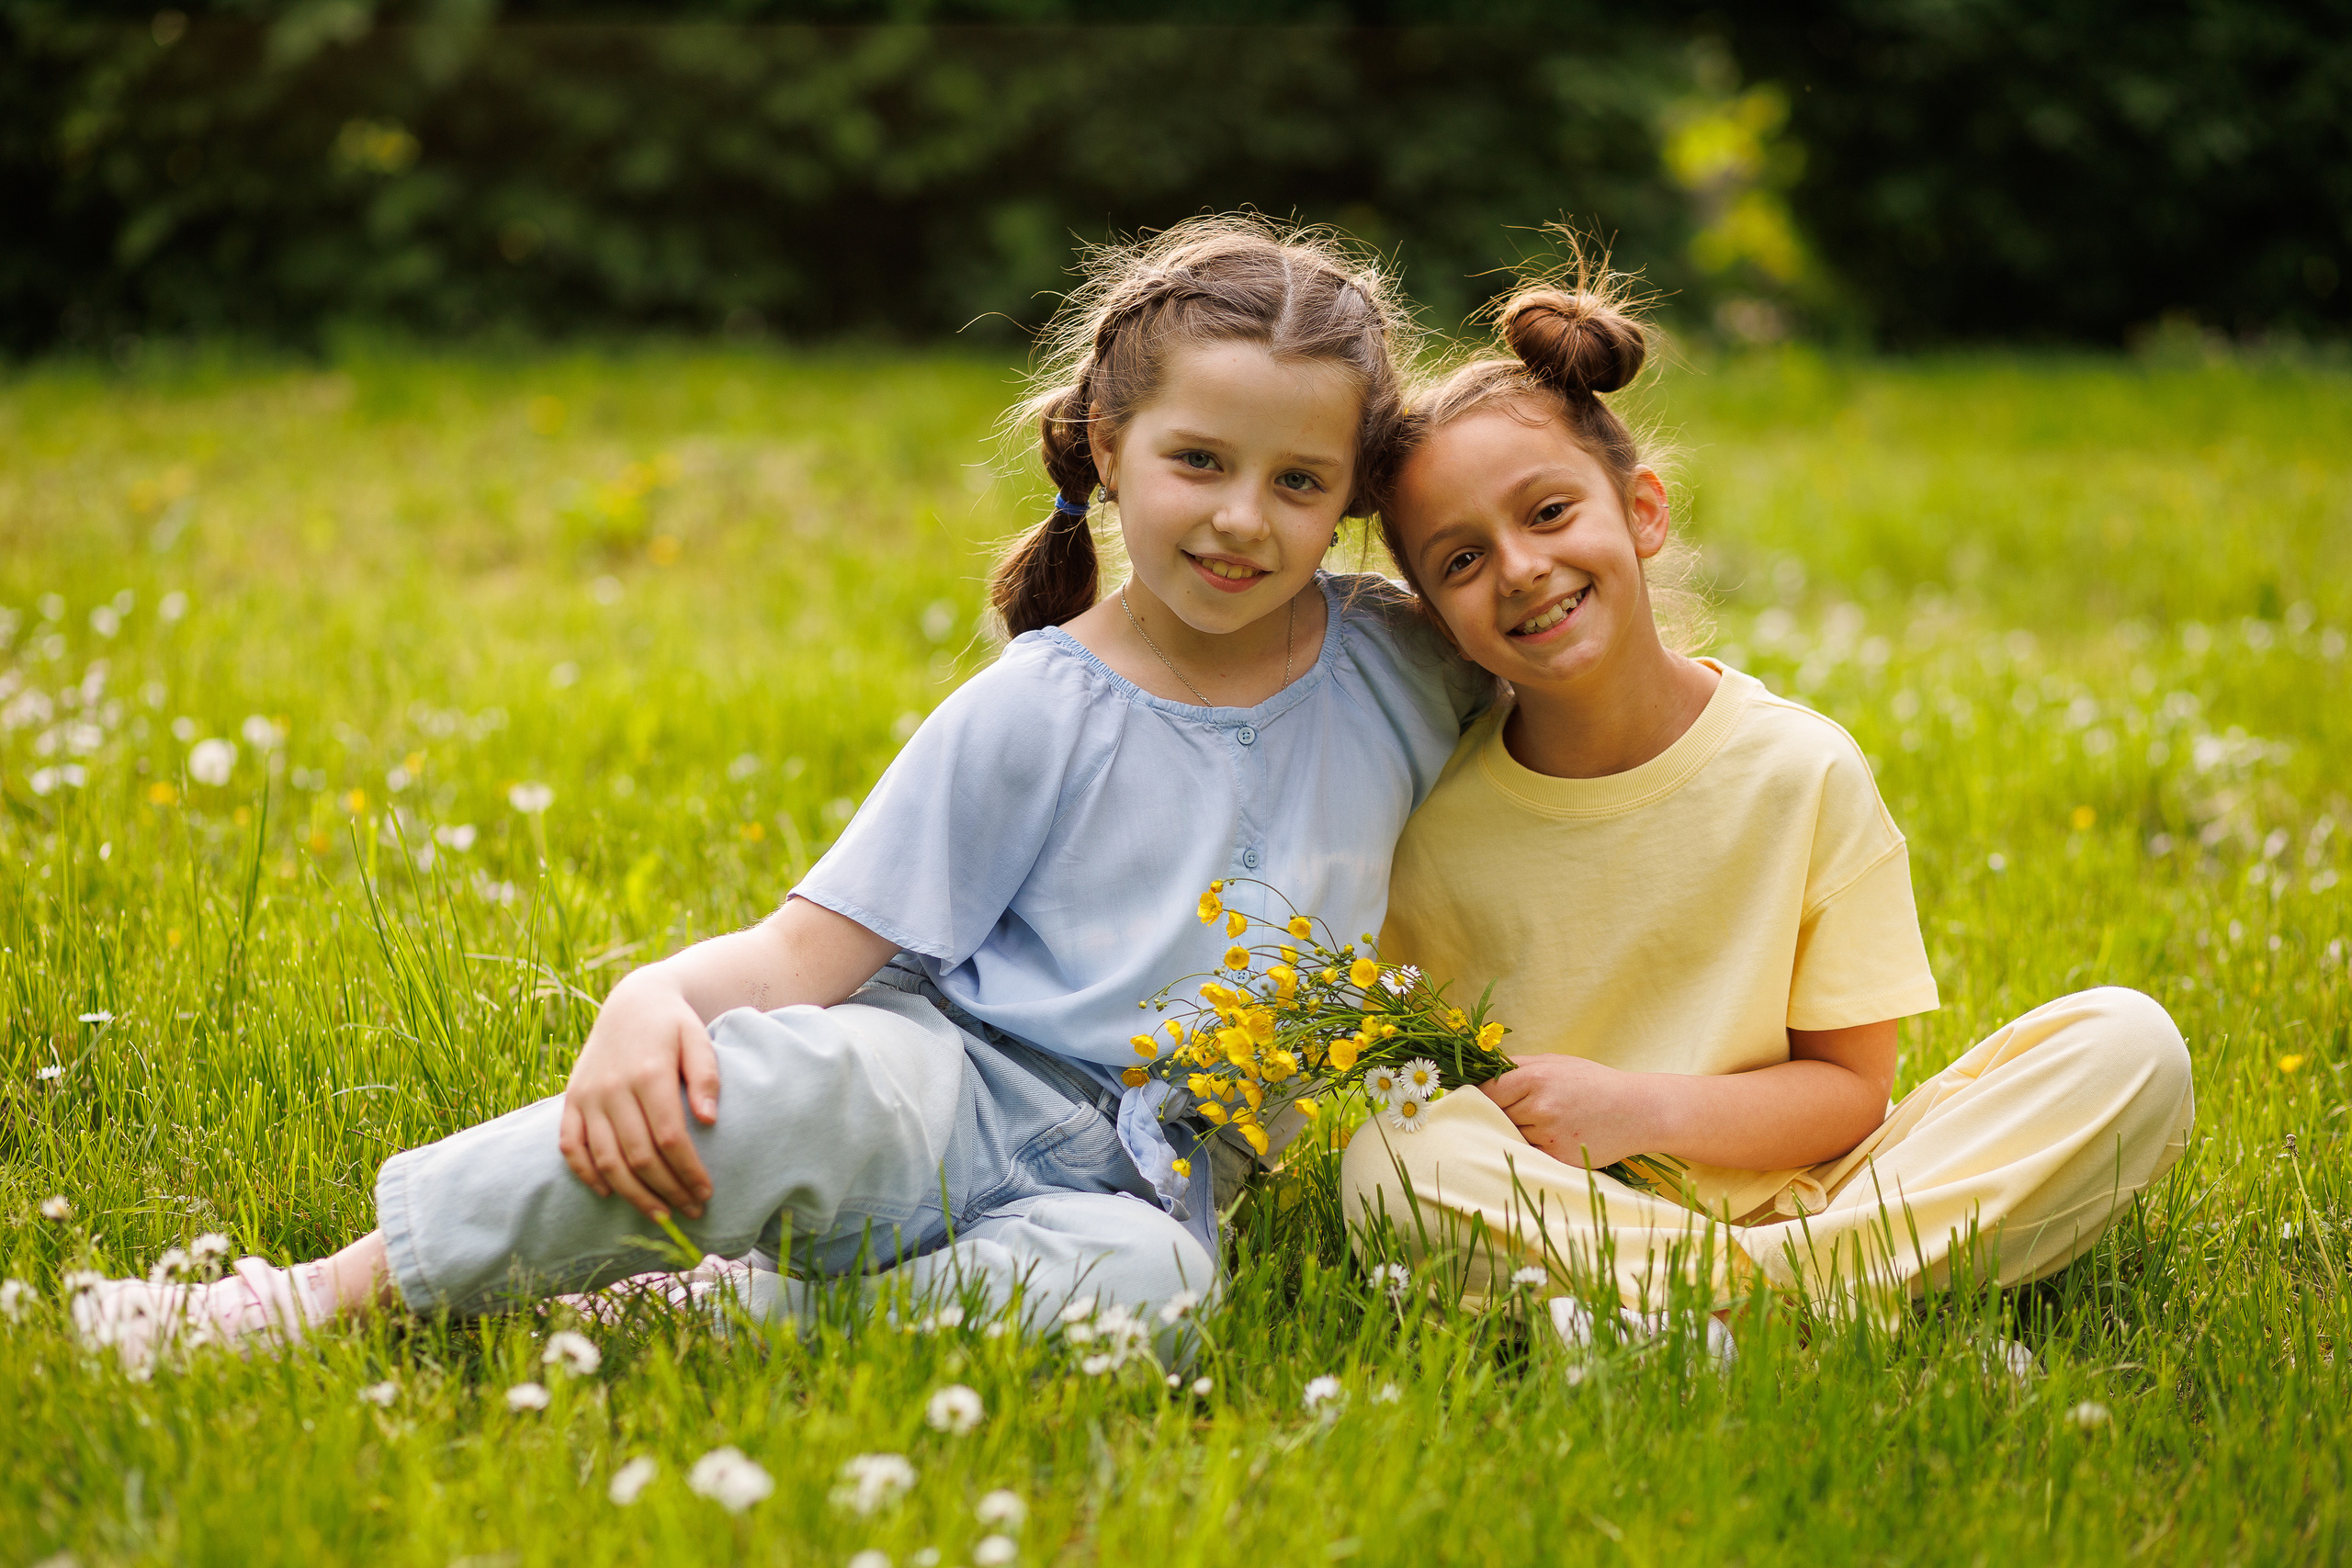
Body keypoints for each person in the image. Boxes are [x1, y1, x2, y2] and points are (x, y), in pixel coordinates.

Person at [74, 217, 1484, 1368]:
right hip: (950, 1076)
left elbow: (1595, 709)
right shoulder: (1040, 706)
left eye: (1297, 481)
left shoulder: (1398, 667)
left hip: (1145, 1184)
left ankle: (713, 1315)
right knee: (760, 1094)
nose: (1244, 516)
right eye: (1199, 461)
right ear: (1108, 447)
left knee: (1154, 1294)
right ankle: (312, 1294)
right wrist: (652, 1003)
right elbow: (806, 955)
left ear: (1351, 495)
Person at [1340, 264, 2193, 1332]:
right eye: (1461, 558)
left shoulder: (1797, 771)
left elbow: (1848, 1097)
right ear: (1431, 613)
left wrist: (1634, 1107)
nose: (1519, 567)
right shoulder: (1434, 823)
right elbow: (1440, 1101)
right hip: (1581, 1213)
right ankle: (1836, 1301)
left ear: (1640, 511)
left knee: (2127, 1046)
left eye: (1549, 511)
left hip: (1824, 1191)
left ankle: (1729, 1306)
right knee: (1393, 1159)